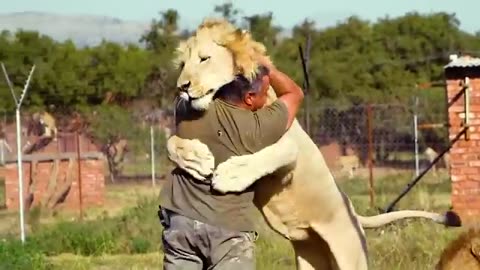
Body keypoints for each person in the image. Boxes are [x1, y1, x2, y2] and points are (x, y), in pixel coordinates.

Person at [159, 56, 304, 270]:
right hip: (228, 229)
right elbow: (295, 94)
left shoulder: (188, 110)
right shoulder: (259, 127)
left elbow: (189, 78)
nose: (266, 99)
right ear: (249, 98)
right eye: (264, 94)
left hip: (181, 221)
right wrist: (268, 68)